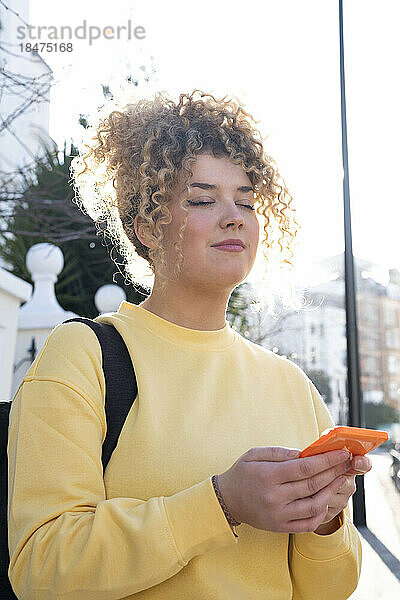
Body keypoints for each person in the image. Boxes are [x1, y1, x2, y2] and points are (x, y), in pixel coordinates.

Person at [7, 88, 371, 600]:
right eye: (202, 199)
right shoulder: (83, 356)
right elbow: (41, 568)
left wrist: (325, 522)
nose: (234, 216)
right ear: (147, 227)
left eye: (246, 200)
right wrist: (221, 504)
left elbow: (328, 590)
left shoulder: (291, 384)